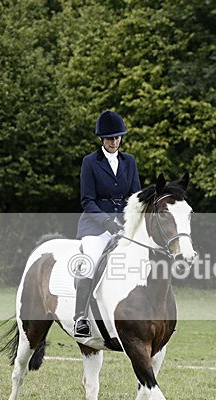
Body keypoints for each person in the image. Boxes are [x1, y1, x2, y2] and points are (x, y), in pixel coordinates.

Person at [73, 110, 141, 338]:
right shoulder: (90, 162)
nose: (115, 142)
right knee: (90, 262)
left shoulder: (129, 161)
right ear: (102, 139)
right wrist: (106, 221)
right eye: (110, 138)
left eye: (118, 137)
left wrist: (131, 222)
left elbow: (135, 197)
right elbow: (87, 201)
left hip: (123, 224)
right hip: (95, 226)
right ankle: (80, 317)